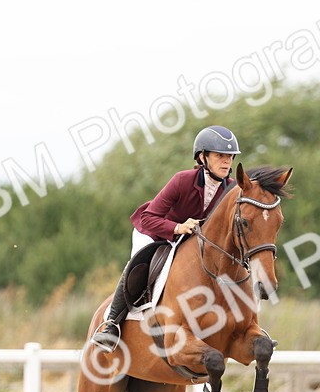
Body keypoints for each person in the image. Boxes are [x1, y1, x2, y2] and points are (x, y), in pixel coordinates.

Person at [90, 125, 241, 353]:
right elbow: (149, 217)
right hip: (155, 232)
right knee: (139, 266)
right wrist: (178, 227)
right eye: (220, 155)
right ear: (202, 157)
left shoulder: (231, 189)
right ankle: (111, 324)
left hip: (191, 243)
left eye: (230, 157)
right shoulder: (182, 180)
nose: (226, 162)